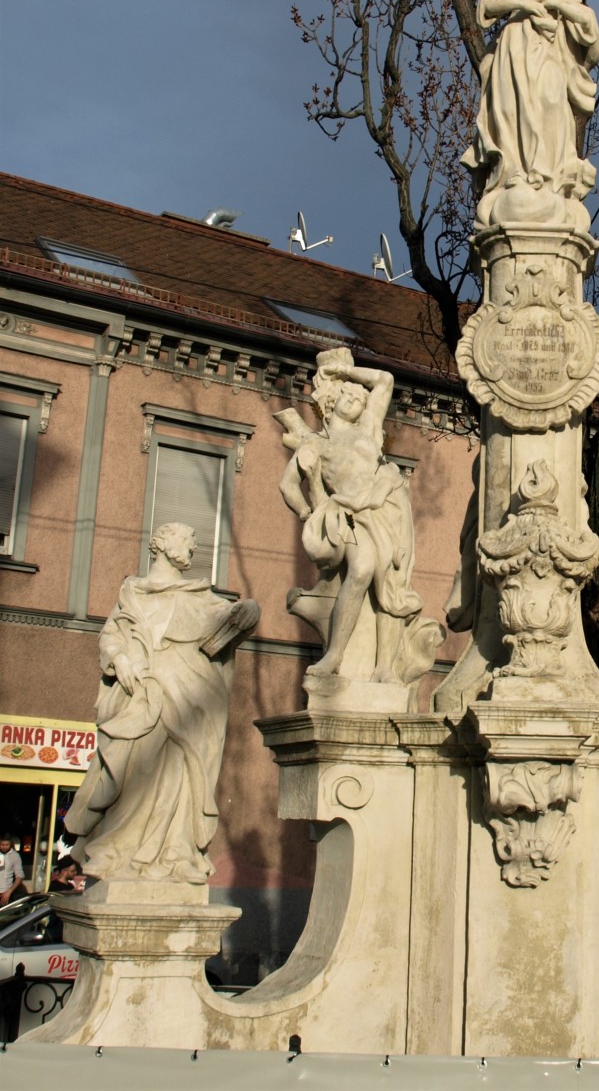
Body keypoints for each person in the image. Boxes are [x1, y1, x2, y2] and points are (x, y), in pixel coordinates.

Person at [65, 523, 260, 885]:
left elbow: (230, 618)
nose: (193, 548)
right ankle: (115, 852)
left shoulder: (200, 597)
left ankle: (176, 854)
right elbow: (111, 636)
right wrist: (120, 659)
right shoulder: (133, 593)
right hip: (144, 696)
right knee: (133, 772)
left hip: (188, 699)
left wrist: (249, 610)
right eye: (187, 539)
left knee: (181, 777)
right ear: (162, 543)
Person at [277, 348, 425, 683]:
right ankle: (335, 655)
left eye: (360, 400)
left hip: (388, 505)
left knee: (393, 584)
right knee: (361, 569)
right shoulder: (315, 443)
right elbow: (287, 484)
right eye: (348, 395)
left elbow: (384, 380)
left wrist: (344, 371)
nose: (355, 401)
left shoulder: (369, 428)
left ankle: (385, 666)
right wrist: (308, 512)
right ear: (333, 401)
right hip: (349, 513)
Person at [461, 0, 599, 226]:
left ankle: (546, 175)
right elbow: (486, 7)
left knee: (551, 105)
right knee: (515, 110)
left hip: (550, 58)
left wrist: (556, 5)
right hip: (515, 56)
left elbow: (589, 27)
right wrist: (524, 4)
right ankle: (517, 171)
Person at [0, 836, 25, 904]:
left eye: (7, 845)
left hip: (6, 893)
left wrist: (9, 891)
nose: (4, 847)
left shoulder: (15, 856)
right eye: (2, 844)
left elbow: (19, 876)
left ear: (10, 844)